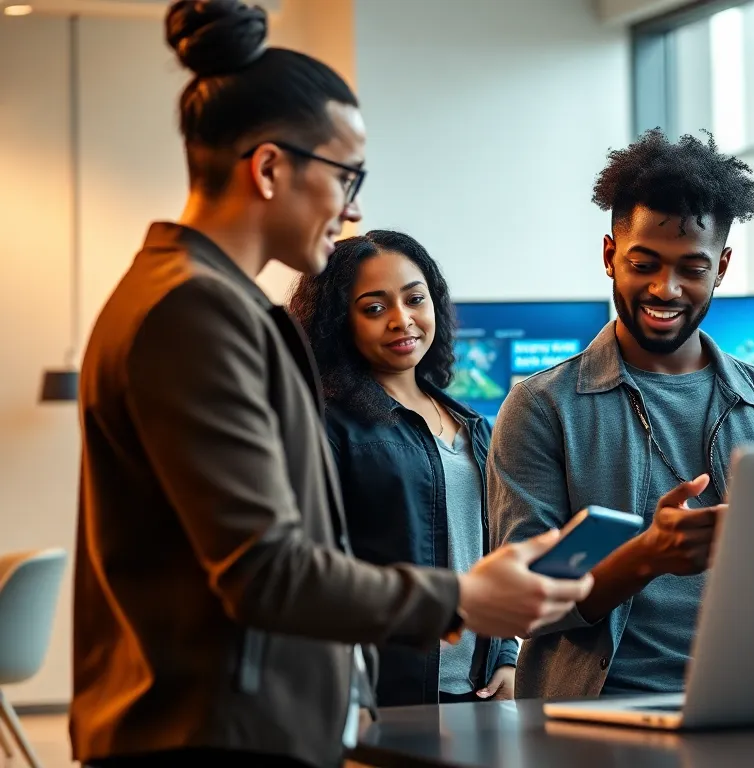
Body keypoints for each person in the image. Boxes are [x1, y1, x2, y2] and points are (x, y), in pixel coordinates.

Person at [72, 3, 589, 766]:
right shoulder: (193, 312)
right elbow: (265, 570)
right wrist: (463, 597)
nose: (354, 207)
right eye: (348, 176)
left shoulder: (203, 300)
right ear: (269, 168)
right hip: (209, 735)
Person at [488, 128, 754, 700]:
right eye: (644, 263)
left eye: (691, 268)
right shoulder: (544, 407)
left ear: (722, 267)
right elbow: (525, 604)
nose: (665, 289)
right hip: (598, 716)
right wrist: (646, 556)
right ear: (609, 256)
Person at [290, 230, 519, 707]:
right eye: (375, 308)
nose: (402, 319)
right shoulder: (326, 425)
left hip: (477, 689)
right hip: (385, 694)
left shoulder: (474, 425)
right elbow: (314, 570)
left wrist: (504, 655)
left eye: (415, 299)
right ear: (339, 322)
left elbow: (487, 551)